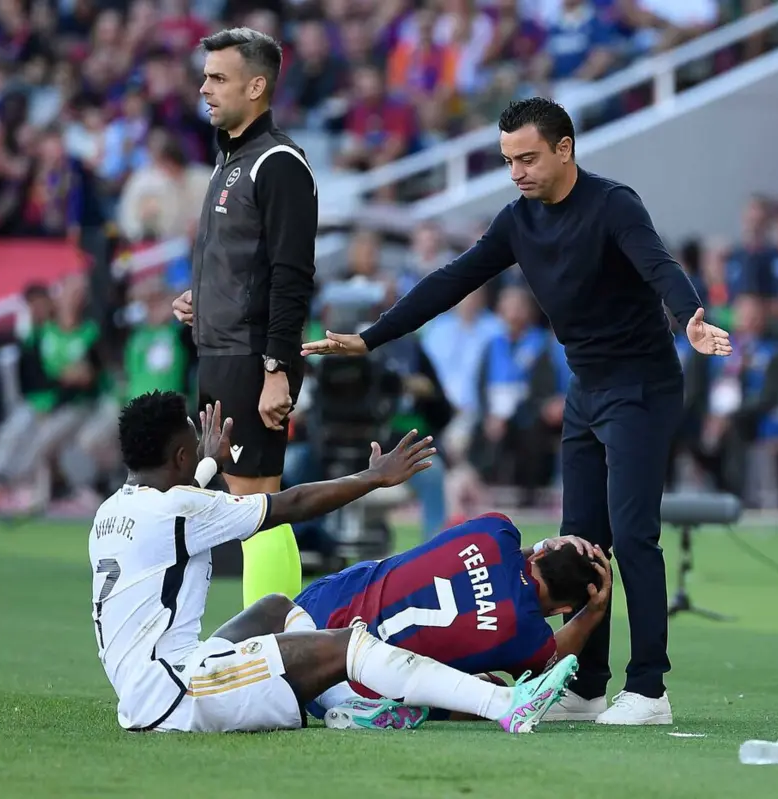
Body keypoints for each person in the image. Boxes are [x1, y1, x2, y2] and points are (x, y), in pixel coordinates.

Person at [303, 97, 732, 725]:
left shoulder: (613, 205)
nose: (517, 172)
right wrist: (372, 338)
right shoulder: (518, 221)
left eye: (528, 158)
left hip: (641, 386)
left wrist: (689, 316)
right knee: (582, 542)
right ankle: (586, 688)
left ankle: (648, 690)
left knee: (633, 533)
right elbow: (452, 279)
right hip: (586, 388)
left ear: (565, 149)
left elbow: (659, 266)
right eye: (508, 160)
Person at [89, 390, 579, 733]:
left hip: (150, 684)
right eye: (192, 444)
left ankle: (350, 708)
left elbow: (178, 506)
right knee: (349, 643)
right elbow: (293, 503)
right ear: (179, 456)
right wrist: (372, 477)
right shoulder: (180, 509)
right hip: (176, 694)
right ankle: (506, 704)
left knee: (277, 608)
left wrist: (210, 463)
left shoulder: (114, 511)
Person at [171, 28, 319, 609]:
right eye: (205, 76)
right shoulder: (230, 160)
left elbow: (291, 274)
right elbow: (245, 264)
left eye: (218, 78)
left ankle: (273, 643)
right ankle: (268, 640)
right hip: (220, 350)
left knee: (258, 503)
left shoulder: (278, 163)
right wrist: (202, 298)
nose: (204, 88)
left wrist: (276, 369)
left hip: (253, 357)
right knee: (241, 503)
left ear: (256, 86)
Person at [293, 512, 611, 723]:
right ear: (560, 610)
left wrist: (542, 546)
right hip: (347, 688)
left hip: (313, 609)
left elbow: (508, 564)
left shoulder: (495, 531)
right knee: (488, 688)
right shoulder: (528, 638)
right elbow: (550, 673)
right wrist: (592, 613)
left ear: (541, 553)